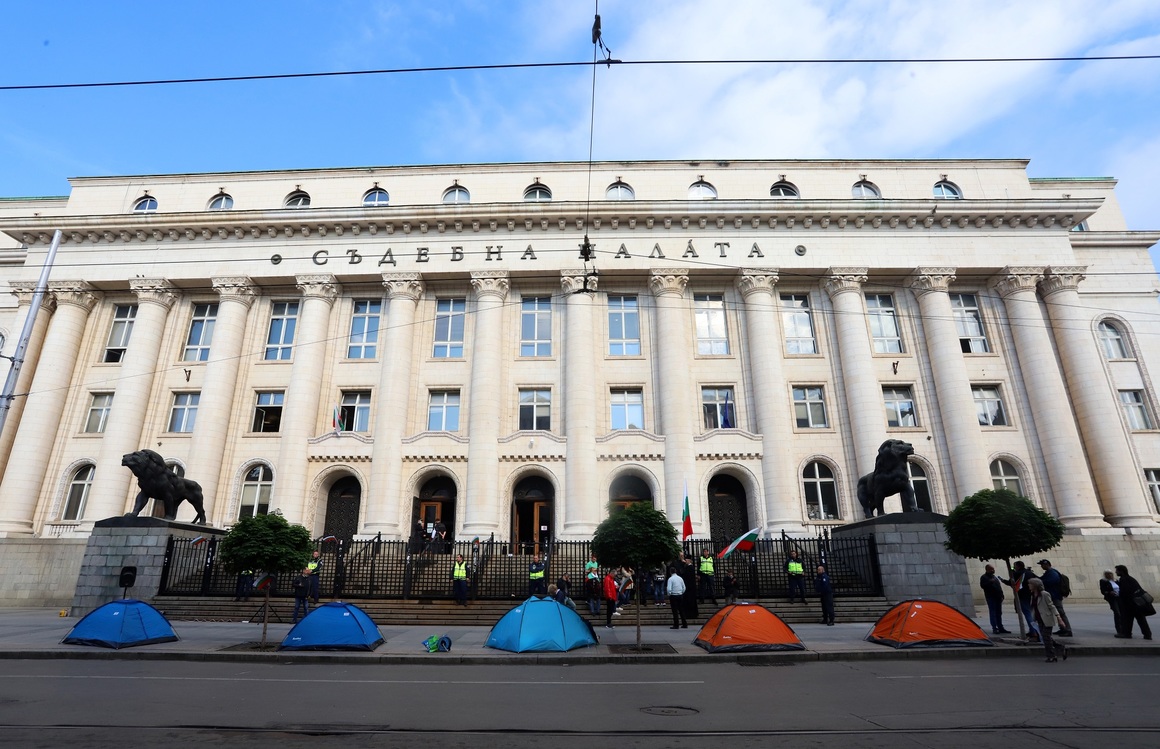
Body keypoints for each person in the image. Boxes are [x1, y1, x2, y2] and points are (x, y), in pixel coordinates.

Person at [1027, 578, 1067, 662]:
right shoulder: (1032, 594)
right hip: (1039, 619)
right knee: (1046, 637)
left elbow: (1051, 606)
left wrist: (1059, 618)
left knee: (1045, 637)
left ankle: (1051, 656)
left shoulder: (1044, 594)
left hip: (1047, 618)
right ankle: (1060, 647)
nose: (1029, 585)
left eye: (1030, 584)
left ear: (1035, 585)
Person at [1114, 564, 1154, 640]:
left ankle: (1127, 634)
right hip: (1137, 604)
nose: (1116, 572)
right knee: (1141, 620)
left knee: (1127, 620)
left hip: (1130, 604)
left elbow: (1125, 592)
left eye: (1117, 571)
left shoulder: (1123, 579)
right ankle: (1147, 634)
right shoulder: (1131, 578)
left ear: (1121, 571)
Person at [1003, 561, 1039, 641]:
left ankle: (1034, 632)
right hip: (1029, 595)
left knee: (1027, 613)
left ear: (1018, 566)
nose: (1014, 567)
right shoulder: (1029, 573)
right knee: (1029, 612)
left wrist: (1003, 581)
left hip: (1021, 595)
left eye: (1014, 566)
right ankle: (1033, 631)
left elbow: (1011, 582)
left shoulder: (1017, 573)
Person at [1036, 560, 1072, 636]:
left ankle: (1068, 630)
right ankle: (1062, 628)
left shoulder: (1052, 573)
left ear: (1047, 565)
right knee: (1058, 613)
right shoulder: (1049, 573)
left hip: (1055, 596)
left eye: (1042, 565)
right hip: (1053, 595)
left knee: (1061, 613)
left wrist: (1042, 581)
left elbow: (1051, 581)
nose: (1041, 566)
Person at [980, 564, 1010, 634]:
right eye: (991, 569)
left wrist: (1002, 595)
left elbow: (999, 587)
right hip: (991, 597)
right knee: (993, 612)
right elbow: (983, 585)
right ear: (987, 569)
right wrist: (990, 582)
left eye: (993, 569)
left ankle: (1000, 627)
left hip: (998, 597)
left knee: (999, 613)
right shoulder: (984, 577)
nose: (993, 570)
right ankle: (994, 628)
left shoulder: (994, 577)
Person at [1099, 569, 1122, 634]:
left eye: (1110, 573)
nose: (1109, 575)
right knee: (1117, 613)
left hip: (1119, 598)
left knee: (1122, 613)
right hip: (1112, 598)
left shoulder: (1116, 581)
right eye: (1108, 574)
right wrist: (1109, 592)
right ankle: (1119, 629)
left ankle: (1123, 628)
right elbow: (1103, 590)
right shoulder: (1103, 581)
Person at [679, 553, 699, 620]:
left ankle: (690, 614)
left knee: (690, 601)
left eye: (686, 560)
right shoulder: (689, 567)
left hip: (690, 587)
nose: (686, 561)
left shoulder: (690, 567)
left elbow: (685, 575)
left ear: (689, 561)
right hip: (689, 587)